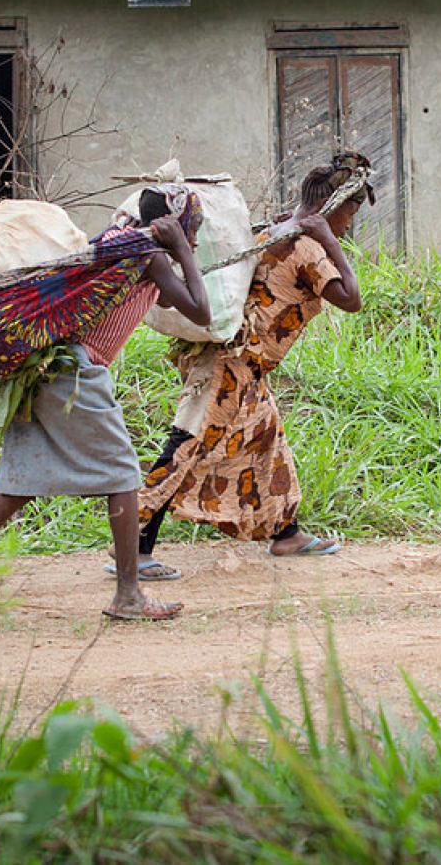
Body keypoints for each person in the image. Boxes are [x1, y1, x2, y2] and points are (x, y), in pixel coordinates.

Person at [0, 184, 210, 621]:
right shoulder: (146, 253)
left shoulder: (124, 244)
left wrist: (175, 252)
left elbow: (169, 296)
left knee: (17, 483)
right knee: (123, 474)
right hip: (74, 370)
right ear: (175, 224)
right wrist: (180, 252)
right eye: (195, 228)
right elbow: (201, 311)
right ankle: (128, 595)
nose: (197, 239)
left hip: (43, 364)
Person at [128, 154, 372, 580]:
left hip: (243, 364)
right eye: (350, 211)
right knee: (186, 446)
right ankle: (134, 548)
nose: (350, 223)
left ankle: (286, 532)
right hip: (232, 366)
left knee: (265, 439)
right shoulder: (308, 247)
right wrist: (330, 243)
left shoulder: (272, 230)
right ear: (332, 207)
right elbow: (351, 300)